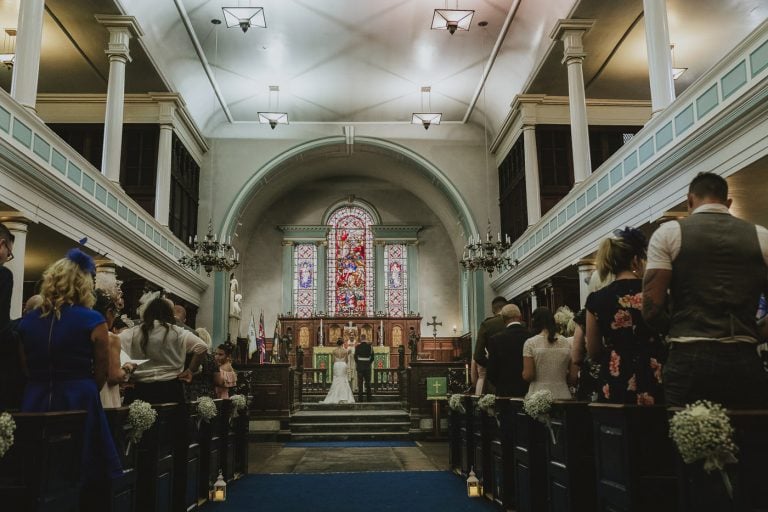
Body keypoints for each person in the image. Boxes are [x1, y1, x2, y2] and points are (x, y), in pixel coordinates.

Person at [643, 172, 768, 408]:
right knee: (748, 439)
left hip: (689, 356)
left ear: (690, 200)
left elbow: (651, 309)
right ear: (728, 202)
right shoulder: (762, 237)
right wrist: (755, 332)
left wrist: (679, 329)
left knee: (687, 440)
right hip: (744, 356)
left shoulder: (669, 234)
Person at [17, 249, 122, 483]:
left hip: (36, 395)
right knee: (81, 466)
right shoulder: (93, 320)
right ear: (84, 284)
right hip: (79, 395)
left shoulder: (28, 321)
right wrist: (85, 387)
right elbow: (102, 372)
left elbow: (25, 366)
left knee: (36, 466)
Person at [586, 228, 665, 405]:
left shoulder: (596, 300)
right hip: (653, 370)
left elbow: (593, 350)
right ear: (635, 260)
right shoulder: (654, 293)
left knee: (618, 427)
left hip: (616, 375)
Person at [120, 297, 208, 404]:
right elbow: (202, 347)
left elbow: (115, 344)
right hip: (171, 388)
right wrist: (190, 371)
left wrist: (125, 372)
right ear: (169, 314)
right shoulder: (177, 332)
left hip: (140, 388)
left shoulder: (134, 332)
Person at [93, 288, 136, 408]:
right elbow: (113, 377)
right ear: (108, 311)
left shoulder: (82, 333)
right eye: (115, 313)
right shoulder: (110, 338)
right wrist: (129, 367)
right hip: (104, 393)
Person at [522, 307, 573, 400]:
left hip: (537, 396)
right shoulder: (566, 342)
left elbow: (528, 375)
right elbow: (573, 377)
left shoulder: (530, 343)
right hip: (563, 394)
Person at [486, 304, 531, 397]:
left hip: (504, 391)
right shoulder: (531, 336)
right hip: (528, 390)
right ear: (520, 317)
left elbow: (491, 372)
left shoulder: (496, 339)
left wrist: (500, 384)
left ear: (503, 319)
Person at [473, 296, 507, 395]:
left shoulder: (487, 324)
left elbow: (478, 355)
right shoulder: (520, 324)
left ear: (493, 310)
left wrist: (491, 365)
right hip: (517, 377)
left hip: (494, 378)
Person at [184, 327, 219, 401]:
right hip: (208, 394)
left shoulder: (189, 357)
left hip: (191, 393)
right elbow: (217, 380)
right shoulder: (212, 358)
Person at [321, 339, 356, 404]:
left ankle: (335, 396)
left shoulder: (334, 351)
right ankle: (344, 396)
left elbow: (333, 360)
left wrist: (338, 361)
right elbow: (346, 360)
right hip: (343, 365)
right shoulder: (345, 351)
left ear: (337, 344)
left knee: (336, 379)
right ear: (342, 344)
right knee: (343, 379)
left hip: (336, 365)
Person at [355, 333, 374, 401]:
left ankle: (360, 398)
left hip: (360, 366)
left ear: (361, 339)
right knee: (368, 382)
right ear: (365, 338)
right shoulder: (370, 347)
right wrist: (369, 363)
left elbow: (355, 357)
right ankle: (369, 398)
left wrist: (359, 363)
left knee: (360, 383)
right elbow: (372, 357)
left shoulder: (357, 347)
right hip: (367, 366)